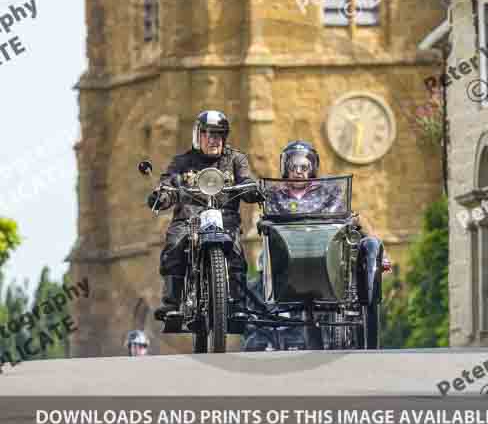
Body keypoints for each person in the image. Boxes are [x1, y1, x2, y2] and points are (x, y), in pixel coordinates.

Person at [147, 110, 261, 319]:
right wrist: (162, 195)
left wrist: (251, 188)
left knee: (236, 253)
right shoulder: (182, 162)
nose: (213, 139)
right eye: (208, 134)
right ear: (197, 136)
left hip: (225, 217)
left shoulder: (236, 159)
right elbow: (169, 181)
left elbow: (245, 178)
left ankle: (237, 304)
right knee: (174, 243)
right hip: (190, 218)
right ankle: (172, 302)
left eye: (218, 134)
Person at [267, 141, 392, 272]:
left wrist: (346, 217)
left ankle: (380, 257)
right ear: (286, 169)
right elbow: (269, 216)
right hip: (287, 245)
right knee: (262, 260)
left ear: (312, 168)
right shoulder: (275, 194)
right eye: (293, 167)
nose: (298, 172)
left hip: (321, 242)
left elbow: (339, 209)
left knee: (357, 218)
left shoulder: (326, 191)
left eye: (304, 168)